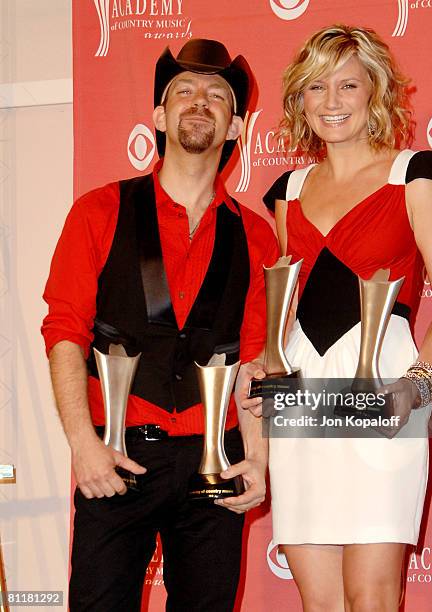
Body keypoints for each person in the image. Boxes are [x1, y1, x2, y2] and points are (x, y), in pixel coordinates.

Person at [42, 38, 276, 612]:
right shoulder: (98, 210)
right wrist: (82, 446)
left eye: (218, 95)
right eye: (185, 91)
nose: (201, 102)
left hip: (214, 464)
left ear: (236, 128)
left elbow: (255, 360)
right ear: (158, 116)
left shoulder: (258, 235)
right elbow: (64, 332)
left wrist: (260, 458)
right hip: (116, 458)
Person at [251, 25, 432, 611]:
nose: (332, 102)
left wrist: (414, 387)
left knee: (370, 597)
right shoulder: (285, 194)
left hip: (383, 383)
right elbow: (283, 307)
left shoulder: (416, 176)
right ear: (299, 99)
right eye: (316, 88)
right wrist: (267, 371)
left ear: (376, 92)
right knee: (317, 600)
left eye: (348, 85)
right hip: (299, 392)